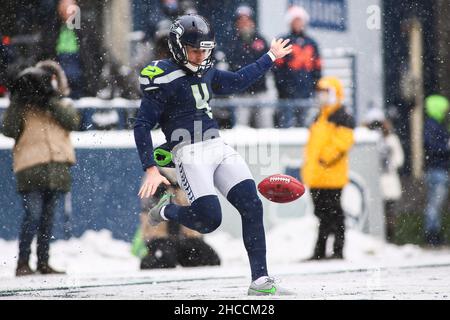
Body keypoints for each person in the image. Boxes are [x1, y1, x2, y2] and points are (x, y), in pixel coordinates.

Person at [134, 14, 293, 295]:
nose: (200, 55)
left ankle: (260, 280)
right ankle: (167, 210)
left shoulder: (206, 70)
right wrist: (150, 167)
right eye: (195, 49)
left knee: (252, 206)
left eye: (205, 49)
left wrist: (270, 56)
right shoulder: (162, 75)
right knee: (209, 221)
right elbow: (142, 124)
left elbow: (238, 81)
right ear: (178, 47)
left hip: (217, 146)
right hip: (189, 153)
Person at [1, 61, 80, 276]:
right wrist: (19, 100)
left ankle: (43, 262)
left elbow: (72, 121)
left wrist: (50, 99)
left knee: (47, 219)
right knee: (33, 215)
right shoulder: (23, 107)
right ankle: (23, 263)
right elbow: (8, 129)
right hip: (30, 168)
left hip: (56, 168)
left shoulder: (61, 103)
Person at [301, 76, 355, 260]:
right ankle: (320, 251)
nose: (321, 97)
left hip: (332, 177)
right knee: (322, 215)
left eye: (325, 92)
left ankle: (337, 251)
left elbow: (342, 143)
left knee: (334, 215)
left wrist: (325, 159)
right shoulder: (319, 117)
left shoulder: (342, 117)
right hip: (317, 177)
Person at [133, 166, 221, 269]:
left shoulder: (191, 176)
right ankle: (154, 258)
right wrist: (165, 191)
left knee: (209, 258)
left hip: (187, 238)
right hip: (160, 238)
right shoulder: (155, 176)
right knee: (164, 259)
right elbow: (148, 211)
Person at [273, 5, 322, 128]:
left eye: (300, 20)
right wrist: (283, 88)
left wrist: (315, 87)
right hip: (287, 94)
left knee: (306, 127)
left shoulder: (312, 43)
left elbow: (317, 68)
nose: (298, 23)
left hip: (306, 93)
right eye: (295, 20)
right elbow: (277, 69)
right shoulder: (284, 41)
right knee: (286, 126)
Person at [225, 5, 271, 128]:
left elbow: (269, 64)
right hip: (241, 92)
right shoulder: (232, 41)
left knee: (265, 128)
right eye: (241, 20)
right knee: (241, 128)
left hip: (260, 91)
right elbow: (232, 65)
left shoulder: (261, 40)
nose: (245, 23)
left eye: (247, 20)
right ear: (237, 23)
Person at [363, 108, 404, 242]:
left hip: (388, 181)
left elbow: (399, 160)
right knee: (372, 213)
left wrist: (387, 161)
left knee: (389, 212)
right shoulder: (366, 141)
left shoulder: (391, 139)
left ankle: (389, 238)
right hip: (372, 184)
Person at [423, 94, 450, 247]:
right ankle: (432, 234)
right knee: (435, 204)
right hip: (437, 170)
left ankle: (434, 233)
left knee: (435, 204)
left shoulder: (435, 124)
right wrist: (446, 146)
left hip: (437, 169)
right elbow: (432, 146)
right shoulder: (433, 125)